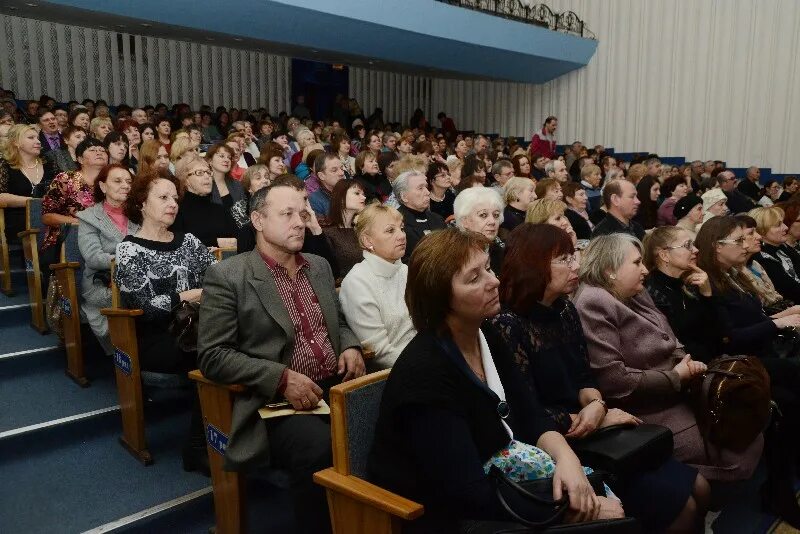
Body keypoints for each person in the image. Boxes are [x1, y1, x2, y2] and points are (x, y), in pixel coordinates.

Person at [369, 227, 623, 533]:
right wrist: (570, 508)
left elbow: (530, 415)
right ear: (441, 298)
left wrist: (567, 459)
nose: (495, 281)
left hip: (496, 478)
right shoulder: (426, 374)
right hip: (439, 512)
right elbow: (466, 493)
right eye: (475, 278)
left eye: (488, 268)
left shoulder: (485, 332)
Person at [494, 224, 709, 532]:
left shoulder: (564, 310)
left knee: (700, 487)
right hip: (555, 443)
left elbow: (584, 376)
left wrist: (595, 404)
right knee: (683, 508)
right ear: (534, 264)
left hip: (592, 426)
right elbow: (525, 410)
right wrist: (592, 416)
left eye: (574, 257)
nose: (576, 266)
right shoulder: (508, 325)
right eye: (565, 259)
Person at [197, 182, 364, 533]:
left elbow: (339, 320)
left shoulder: (317, 265)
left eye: (302, 213)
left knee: (388, 418)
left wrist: (348, 344)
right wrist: (282, 378)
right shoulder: (229, 276)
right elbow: (213, 356)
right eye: (287, 214)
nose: (299, 222)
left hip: (334, 385)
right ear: (258, 220)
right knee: (319, 447)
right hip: (273, 403)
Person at [573, 233, 763, 482]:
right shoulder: (593, 302)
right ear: (610, 270)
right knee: (724, 455)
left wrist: (686, 363)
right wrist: (675, 377)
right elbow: (614, 380)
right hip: (648, 407)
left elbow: (669, 337)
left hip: (680, 390)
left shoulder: (633, 291)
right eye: (636, 263)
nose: (645, 270)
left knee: (745, 423)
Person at [116, 171, 216, 475]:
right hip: (157, 339)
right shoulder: (129, 249)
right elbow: (147, 308)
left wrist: (195, 297)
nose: (172, 203)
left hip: (200, 327)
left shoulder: (189, 242)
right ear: (142, 203)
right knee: (214, 353)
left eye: (175, 198)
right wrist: (192, 294)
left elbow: (222, 282)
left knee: (230, 343)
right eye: (163, 197)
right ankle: (198, 447)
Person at [339, 203, 414, 369]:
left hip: (424, 357)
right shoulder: (357, 283)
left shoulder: (406, 270)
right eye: (390, 230)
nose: (402, 236)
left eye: (401, 228)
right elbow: (380, 353)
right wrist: (426, 367)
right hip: (395, 372)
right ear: (367, 240)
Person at [76, 164, 138, 355]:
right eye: (118, 181)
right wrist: (135, 259)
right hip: (102, 283)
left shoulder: (140, 214)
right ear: (103, 187)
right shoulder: (89, 217)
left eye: (128, 181)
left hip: (138, 279)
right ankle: (133, 357)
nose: (125, 185)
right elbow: (94, 258)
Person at [642, 226, 722, 363]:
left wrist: (707, 293)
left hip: (710, 361)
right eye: (688, 245)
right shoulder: (651, 292)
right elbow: (675, 342)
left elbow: (719, 333)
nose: (696, 250)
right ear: (664, 255)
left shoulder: (690, 282)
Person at [40, 139, 109, 265]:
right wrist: (81, 223)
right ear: (80, 159)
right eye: (92, 150)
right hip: (69, 238)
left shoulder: (112, 183)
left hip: (104, 240)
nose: (99, 152)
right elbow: (47, 216)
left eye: (102, 150)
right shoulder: (66, 179)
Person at [0, 124, 57, 242]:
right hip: (17, 226)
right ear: (16, 142)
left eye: (37, 138)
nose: (38, 142)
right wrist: (37, 202)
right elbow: (1, 197)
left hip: (50, 223)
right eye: (31, 138)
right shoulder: (5, 165)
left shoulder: (49, 164)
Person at [171, 154, 237, 248]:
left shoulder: (220, 209)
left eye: (208, 172)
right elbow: (177, 246)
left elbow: (237, 239)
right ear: (185, 180)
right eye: (199, 173)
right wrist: (215, 242)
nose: (207, 176)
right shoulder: (176, 211)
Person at [749, 206, 800, 303]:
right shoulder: (762, 258)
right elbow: (791, 291)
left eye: (783, 223)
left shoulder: (782, 247)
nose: (786, 227)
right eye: (778, 225)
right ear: (761, 231)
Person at [394, 170, 446, 263]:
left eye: (426, 187)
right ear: (404, 197)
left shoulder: (437, 219)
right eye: (420, 188)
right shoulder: (395, 224)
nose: (427, 192)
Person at [322, 179, 367, 280]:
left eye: (363, 194)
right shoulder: (327, 233)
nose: (363, 197)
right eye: (357, 193)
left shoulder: (359, 229)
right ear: (341, 197)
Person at [453, 187, 505, 273]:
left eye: (496, 215)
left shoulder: (501, 253)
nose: (492, 222)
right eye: (483, 215)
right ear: (465, 221)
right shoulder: (453, 256)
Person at [206, 143, 245, 209]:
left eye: (229, 157)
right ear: (210, 161)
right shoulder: (204, 186)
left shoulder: (237, 184)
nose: (227, 160)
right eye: (222, 156)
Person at [231, 164, 270, 229]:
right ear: (249, 187)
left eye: (267, 177)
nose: (265, 181)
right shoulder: (244, 210)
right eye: (258, 178)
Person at [308, 153, 345, 219]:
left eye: (342, 169)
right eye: (334, 170)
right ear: (321, 176)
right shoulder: (315, 200)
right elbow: (323, 229)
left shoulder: (348, 191)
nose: (342, 173)